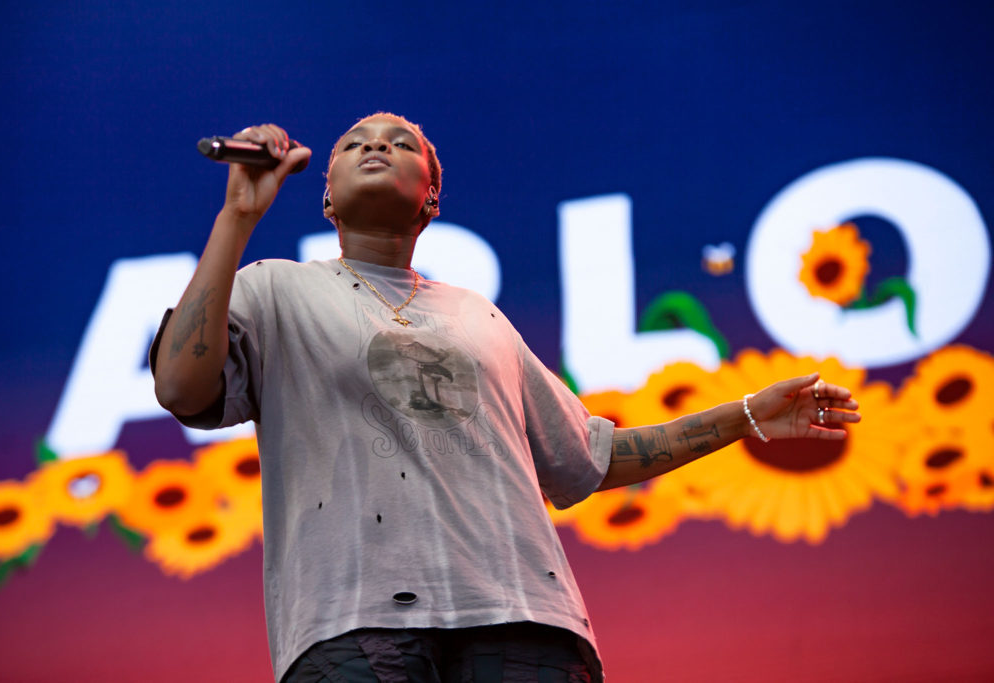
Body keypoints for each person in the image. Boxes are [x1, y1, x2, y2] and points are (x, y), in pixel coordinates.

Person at [151, 113, 861, 683]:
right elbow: (181, 385)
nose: (377, 146)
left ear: (431, 198)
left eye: (401, 143)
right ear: (327, 194)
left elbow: (590, 456)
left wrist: (744, 416)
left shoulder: (477, 315)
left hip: (526, 622)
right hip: (352, 623)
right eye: (355, 142)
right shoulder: (275, 288)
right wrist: (237, 216)